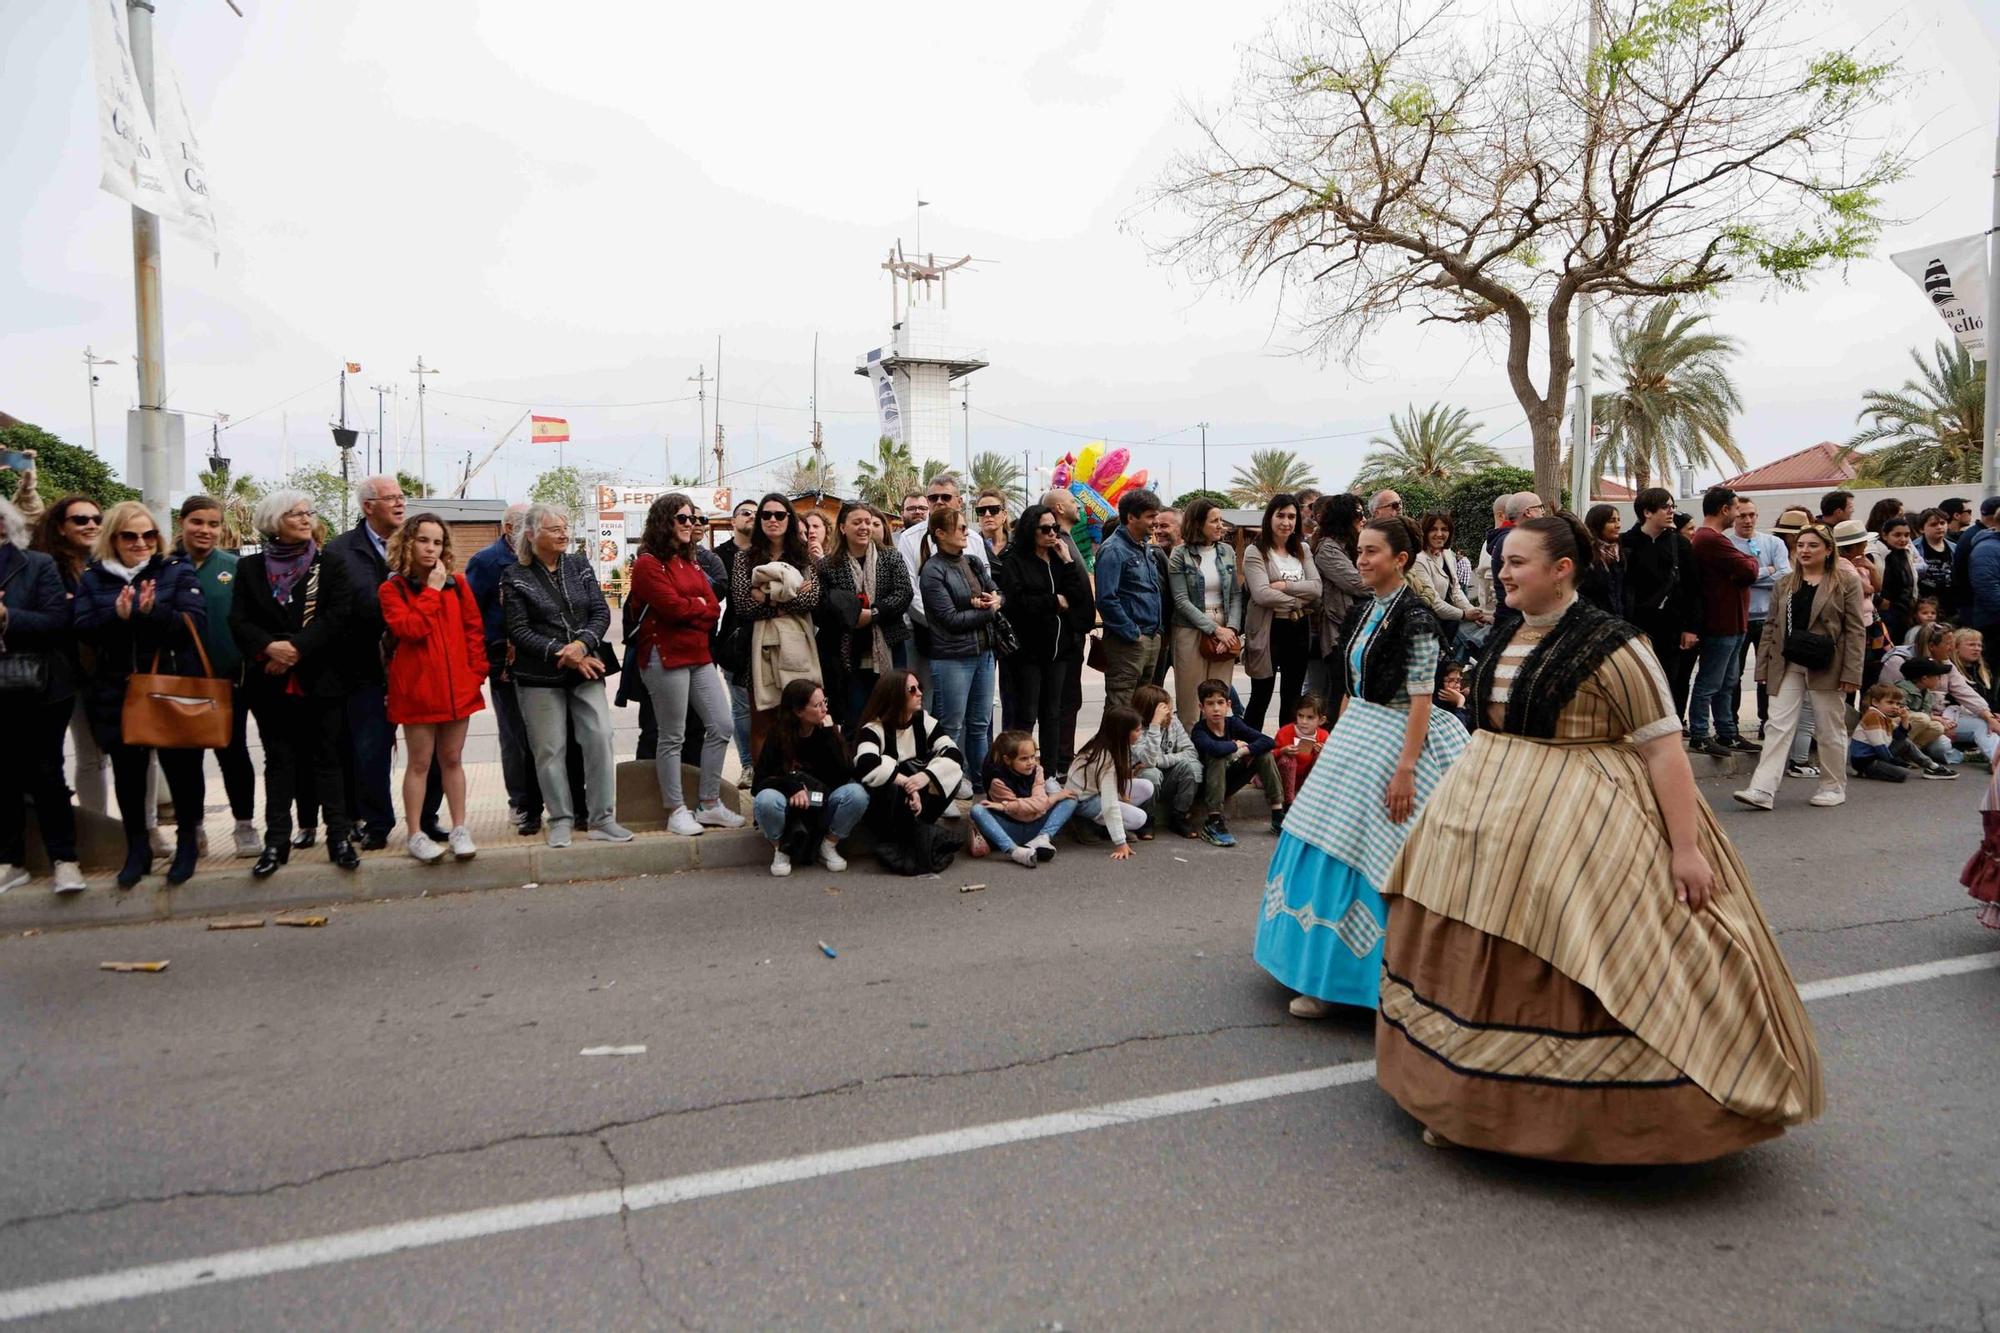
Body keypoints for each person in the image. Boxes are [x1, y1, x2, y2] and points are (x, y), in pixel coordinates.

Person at [1376, 512, 1822, 1162]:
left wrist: (1686, 848)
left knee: (1587, 943)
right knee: (1470, 951)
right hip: (1483, 815)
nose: (1503, 573)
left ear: (1562, 570)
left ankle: (1592, 1115)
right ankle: (1460, 1102)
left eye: (1517, 563)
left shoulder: (1616, 644)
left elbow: (1663, 748)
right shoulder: (1508, 630)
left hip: (1583, 819)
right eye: (1503, 562)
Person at [1255, 514, 1467, 1018]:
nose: (1362, 560)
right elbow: (1349, 687)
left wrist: (1406, 769)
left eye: (1372, 552)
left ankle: (1363, 981)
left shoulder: (1417, 619)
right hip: (1358, 735)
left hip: (1404, 738)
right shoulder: (1363, 610)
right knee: (1320, 838)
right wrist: (1337, 740)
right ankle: (1317, 973)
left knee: (1375, 851)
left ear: (1400, 559)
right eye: (1360, 550)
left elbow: (1421, 699)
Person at [72, 501, 209, 887]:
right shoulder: (94, 577)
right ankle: (137, 848)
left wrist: (152, 613)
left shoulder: (176, 569)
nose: (141, 542)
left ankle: (187, 843)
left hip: (170, 684)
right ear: (113, 538)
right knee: (129, 774)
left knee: (183, 771)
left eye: (149, 535)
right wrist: (116, 616)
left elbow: (193, 623)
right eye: (130, 536)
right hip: (117, 690)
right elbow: (82, 627)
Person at [230, 489, 358, 877]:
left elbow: (338, 616)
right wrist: (269, 648)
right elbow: (239, 621)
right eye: (295, 514)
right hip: (269, 681)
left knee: (327, 758)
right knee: (279, 761)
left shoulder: (329, 564)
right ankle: (276, 842)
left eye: (308, 512)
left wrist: (296, 649)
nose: (305, 519)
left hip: (321, 678)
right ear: (274, 523)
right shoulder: (250, 568)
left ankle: (339, 838)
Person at [502, 502, 630, 848]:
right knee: (549, 749)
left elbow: (600, 612)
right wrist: (565, 653)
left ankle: (602, 818)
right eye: (555, 529)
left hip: (586, 666)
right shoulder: (514, 575)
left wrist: (582, 645)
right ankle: (560, 819)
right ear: (532, 535)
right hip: (538, 676)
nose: (563, 534)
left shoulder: (578, 564)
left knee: (600, 736)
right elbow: (519, 630)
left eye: (565, 528)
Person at [325, 475, 443, 850]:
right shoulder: (340, 551)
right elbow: (339, 609)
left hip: (420, 666)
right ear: (368, 507)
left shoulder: (422, 543)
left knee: (430, 752)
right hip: (364, 667)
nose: (399, 503)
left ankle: (426, 818)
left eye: (401, 496)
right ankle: (376, 823)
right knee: (370, 750)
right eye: (390, 498)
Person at [628, 493, 741, 837]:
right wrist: (698, 607)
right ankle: (675, 810)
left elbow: (713, 607)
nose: (690, 524)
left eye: (693, 519)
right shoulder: (648, 564)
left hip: (698, 654)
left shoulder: (690, 561)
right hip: (664, 655)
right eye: (683, 518)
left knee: (721, 725)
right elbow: (673, 608)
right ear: (664, 521)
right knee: (672, 735)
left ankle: (709, 803)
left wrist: (697, 607)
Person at [1732, 522, 1866, 811]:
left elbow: (1856, 630)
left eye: (1813, 545)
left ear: (1828, 550)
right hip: (1788, 660)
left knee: (1829, 727)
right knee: (1777, 724)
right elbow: (1771, 626)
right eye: (1801, 545)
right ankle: (1762, 789)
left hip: (1827, 662)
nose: (1805, 550)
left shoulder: (1846, 581)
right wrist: (1763, 667)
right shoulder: (1785, 583)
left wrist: (1852, 673)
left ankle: (1832, 786)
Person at [379, 513, 486, 864]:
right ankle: (415, 833)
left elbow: (474, 631)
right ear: (408, 543)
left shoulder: (459, 584)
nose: (431, 548)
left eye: (437, 542)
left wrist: (475, 674)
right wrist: (432, 591)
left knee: (452, 759)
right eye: (423, 540)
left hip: (458, 689)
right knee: (420, 763)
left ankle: (460, 828)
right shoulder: (392, 589)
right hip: (418, 691)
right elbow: (411, 629)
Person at [0, 496, 83, 894]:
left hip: (40, 687)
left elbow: (56, 621)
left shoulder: (36, 564)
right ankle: (10, 861)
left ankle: (65, 861)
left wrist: (7, 617)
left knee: (46, 772)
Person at [168, 495, 259, 859]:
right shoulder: (165, 565)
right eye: (197, 522)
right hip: (180, 681)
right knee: (186, 760)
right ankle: (192, 828)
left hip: (228, 681)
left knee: (233, 753)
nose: (205, 530)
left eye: (213, 524)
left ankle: (245, 825)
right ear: (182, 523)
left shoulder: (235, 568)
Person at [466, 503, 549, 836]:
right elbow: (470, 614)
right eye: (531, 524)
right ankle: (521, 801)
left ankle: (551, 798)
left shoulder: (540, 557)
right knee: (515, 734)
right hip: (505, 661)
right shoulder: (487, 562)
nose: (536, 531)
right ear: (510, 529)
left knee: (547, 734)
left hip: (543, 656)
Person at [995, 504, 1090, 761]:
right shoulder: (1015, 560)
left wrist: (1068, 561)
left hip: (1059, 651)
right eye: (1045, 529)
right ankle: (1018, 767)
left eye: (1055, 528)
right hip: (1028, 652)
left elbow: (1077, 595)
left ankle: (1049, 770)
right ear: (1030, 530)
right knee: (1026, 714)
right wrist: (1054, 601)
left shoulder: (1059, 558)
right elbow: (1017, 602)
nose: (1052, 534)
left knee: (1052, 713)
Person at [734, 493, 823, 762]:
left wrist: (766, 596)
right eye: (766, 514)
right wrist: (788, 597)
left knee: (798, 720)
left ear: (789, 519)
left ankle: (797, 778)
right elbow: (743, 605)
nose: (773, 520)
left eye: (780, 514)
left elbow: (811, 599)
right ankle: (764, 780)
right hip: (757, 650)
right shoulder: (744, 558)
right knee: (763, 722)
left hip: (798, 648)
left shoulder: (804, 558)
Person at [35, 494, 109, 813]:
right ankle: (96, 827)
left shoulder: (107, 563)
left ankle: (141, 829)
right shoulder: (47, 566)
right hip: (65, 674)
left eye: (96, 519)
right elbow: (50, 616)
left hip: (106, 670)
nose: (91, 525)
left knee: (118, 753)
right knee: (88, 756)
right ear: (60, 527)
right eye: (80, 520)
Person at [918, 503, 1001, 790]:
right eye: (961, 527)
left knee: (980, 725)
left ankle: (982, 783)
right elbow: (950, 620)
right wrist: (988, 610)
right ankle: (945, 786)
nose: (968, 531)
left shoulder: (973, 562)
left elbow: (996, 592)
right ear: (940, 533)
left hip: (984, 653)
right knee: (950, 726)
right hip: (952, 658)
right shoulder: (932, 571)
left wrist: (995, 600)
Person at [751, 678, 868, 877]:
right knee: (766, 800)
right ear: (798, 711)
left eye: (825, 702)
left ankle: (828, 844)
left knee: (857, 794)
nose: (825, 709)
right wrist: (792, 786)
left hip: (822, 801)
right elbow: (759, 783)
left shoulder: (827, 731)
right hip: (789, 805)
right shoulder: (778, 735)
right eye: (817, 705)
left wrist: (830, 735)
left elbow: (845, 773)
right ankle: (781, 848)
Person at [852, 668, 964, 874]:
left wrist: (924, 777)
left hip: (918, 793)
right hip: (887, 803)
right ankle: (896, 838)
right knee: (888, 768)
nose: (919, 693)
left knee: (952, 771)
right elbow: (866, 765)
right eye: (912, 690)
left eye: (919, 687)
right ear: (895, 695)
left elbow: (954, 753)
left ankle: (921, 828)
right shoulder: (873, 728)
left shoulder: (923, 720)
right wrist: (907, 783)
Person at [817, 501, 914, 726]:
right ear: (843, 527)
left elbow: (903, 593)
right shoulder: (828, 565)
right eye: (857, 522)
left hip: (889, 644)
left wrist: (873, 613)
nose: (864, 527)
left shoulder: (890, 556)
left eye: (868, 522)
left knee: (893, 714)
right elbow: (822, 608)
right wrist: (850, 616)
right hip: (848, 651)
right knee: (856, 718)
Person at [1686, 486, 1760, 757]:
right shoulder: (1711, 539)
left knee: (1728, 682)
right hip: (1720, 623)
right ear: (1724, 509)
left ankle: (1727, 732)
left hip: (1734, 622)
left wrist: (1744, 567)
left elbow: (1745, 570)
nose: (1739, 515)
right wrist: (1749, 562)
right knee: (1710, 682)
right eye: (1736, 509)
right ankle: (1700, 734)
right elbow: (1749, 569)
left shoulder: (1715, 539)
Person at [1242, 492, 1323, 731]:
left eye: (1291, 516)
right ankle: (1252, 749)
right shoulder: (1256, 551)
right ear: (1269, 517)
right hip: (1268, 629)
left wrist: (1285, 586)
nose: (1286, 522)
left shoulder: (1303, 549)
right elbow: (1261, 594)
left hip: (1299, 629)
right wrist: (1299, 601)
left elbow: (1316, 588)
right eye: (1280, 516)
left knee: (1292, 697)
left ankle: (1286, 749)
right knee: (1261, 695)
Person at [1620, 486, 1701, 722]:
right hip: (1635, 628)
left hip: (1671, 629)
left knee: (1673, 682)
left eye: (1672, 506)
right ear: (1647, 512)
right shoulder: (1625, 543)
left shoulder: (1680, 544)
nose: (1671, 511)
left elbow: (1694, 589)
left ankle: (1672, 727)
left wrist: (1691, 628)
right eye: (1665, 507)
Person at [1166, 496, 1242, 727]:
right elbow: (1181, 600)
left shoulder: (1227, 551)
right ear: (1198, 524)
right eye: (1214, 521)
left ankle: (1217, 745)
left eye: (1221, 520)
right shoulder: (1180, 554)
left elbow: (1235, 594)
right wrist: (1215, 630)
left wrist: (1231, 630)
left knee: (1219, 697)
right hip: (1190, 627)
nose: (1221, 526)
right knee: (1190, 699)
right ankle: (1190, 746)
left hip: (1225, 626)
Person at [1095, 488, 1167, 714]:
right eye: (1150, 516)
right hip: (1128, 643)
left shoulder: (1144, 547)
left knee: (1141, 706)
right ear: (1131, 517)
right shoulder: (1113, 550)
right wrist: (1132, 633)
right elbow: (1106, 599)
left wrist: (1155, 633)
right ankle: (1114, 741)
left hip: (1149, 637)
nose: (1155, 522)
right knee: (1121, 705)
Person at [1189, 677, 1283, 845]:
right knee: (1217, 757)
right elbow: (1215, 749)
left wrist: (1242, 751)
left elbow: (1268, 741)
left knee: (1264, 753)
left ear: (1228, 705)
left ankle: (1277, 815)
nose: (1216, 709)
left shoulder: (1233, 723)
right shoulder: (1199, 730)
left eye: (1220, 703)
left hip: (1230, 782)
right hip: (1207, 788)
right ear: (1201, 707)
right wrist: (1234, 745)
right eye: (1210, 704)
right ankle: (1213, 822)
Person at [1726, 499, 1789, 742]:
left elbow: (1784, 576)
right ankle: (1730, 723)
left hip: (1768, 618)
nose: (1748, 520)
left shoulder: (1773, 543)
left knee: (1769, 674)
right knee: (1732, 675)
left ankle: (1768, 721)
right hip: (1738, 618)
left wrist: (1749, 578)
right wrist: (1766, 571)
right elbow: (1731, 579)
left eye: (1752, 515)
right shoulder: (1727, 544)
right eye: (1742, 515)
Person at [896, 474, 963, 700]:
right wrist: (944, 621)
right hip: (921, 632)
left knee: (956, 706)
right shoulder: (909, 538)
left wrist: (962, 622)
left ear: (959, 501)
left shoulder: (972, 539)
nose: (939, 502)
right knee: (922, 700)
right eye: (933, 498)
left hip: (964, 636)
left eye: (946, 497)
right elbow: (909, 590)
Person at [970, 729, 1077, 869]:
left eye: (1033, 757)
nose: (1031, 762)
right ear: (1007, 760)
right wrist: (1049, 800)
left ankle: (1042, 838)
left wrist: (1007, 806)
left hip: (1035, 825)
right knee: (977, 810)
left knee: (1070, 798)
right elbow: (1022, 814)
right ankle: (1014, 851)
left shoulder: (1037, 770)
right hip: (1010, 828)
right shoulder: (997, 780)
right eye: (1024, 759)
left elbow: (1040, 803)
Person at [1063, 705, 1154, 857]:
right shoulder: (1105, 759)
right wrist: (1120, 842)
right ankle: (1085, 821)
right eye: (1137, 730)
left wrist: (1122, 793)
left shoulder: (1112, 742)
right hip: (1084, 800)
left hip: (1097, 791)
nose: (1141, 734)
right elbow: (1110, 804)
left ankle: (1107, 825)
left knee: (1146, 787)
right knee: (1139, 819)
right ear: (1123, 733)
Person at [712, 498, 760, 780]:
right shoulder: (719, 556)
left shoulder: (767, 551)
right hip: (733, 640)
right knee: (741, 708)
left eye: (756, 513)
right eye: (745, 513)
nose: (752, 517)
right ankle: (748, 765)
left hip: (767, 637)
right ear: (733, 521)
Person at [1310, 494, 1368, 708]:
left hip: (1357, 632)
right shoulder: (1328, 549)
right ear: (1344, 517)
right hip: (1338, 633)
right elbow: (1358, 583)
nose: (1364, 519)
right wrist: (1386, 583)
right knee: (1339, 695)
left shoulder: (1352, 546)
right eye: (1359, 514)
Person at [1131, 682, 1201, 836]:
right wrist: (1155, 725)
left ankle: (1179, 816)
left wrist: (1161, 761)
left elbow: (1190, 752)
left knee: (1188, 767)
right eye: (1165, 711)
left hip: (1167, 778)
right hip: (1141, 782)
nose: (1170, 714)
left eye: (1170, 709)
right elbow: (1148, 761)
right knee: (1151, 773)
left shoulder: (1173, 722)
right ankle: (1147, 820)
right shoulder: (1134, 728)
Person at [1271, 693, 1329, 808]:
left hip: (1305, 781)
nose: (1304, 721)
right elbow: (1269, 756)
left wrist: (1323, 753)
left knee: (1322, 757)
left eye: (1310, 717)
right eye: (1300, 716)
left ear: (1321, 720)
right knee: (1288, 760)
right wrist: (1282, 751)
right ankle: (1288, 803)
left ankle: (1313, 799)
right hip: (1282, 780)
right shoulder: (1285, 732)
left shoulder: (1323, 735)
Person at [1869, 514, 1919, 644]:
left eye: (1907, 535)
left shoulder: (1905, 553)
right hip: (1884, 613)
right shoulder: (1875, 555)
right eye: (1897, 535)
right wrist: (1880, 601)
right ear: (1885, 535)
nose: (1903, 539)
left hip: (1905, 611)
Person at [1578, 503, 1627, 618]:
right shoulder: (1585, 556)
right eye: (1612, 521)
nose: (1618, 525)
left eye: (1618, 520)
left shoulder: (1621, 553)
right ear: (1598, 524)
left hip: (1620, 620)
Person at [1913, 507, 1956, 617]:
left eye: (1942, 523)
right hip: (1924, 604)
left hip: (1950, 602)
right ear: (1922, 529)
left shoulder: (1954, 548)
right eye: (1933, 525)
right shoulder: (1914, 548)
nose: (1939, 527)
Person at [973, 489, 1010, 562]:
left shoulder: (1017, 546)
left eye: (993, 509)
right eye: (981, 510)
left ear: (1004, 515)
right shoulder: (971, 547)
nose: (987, 514)